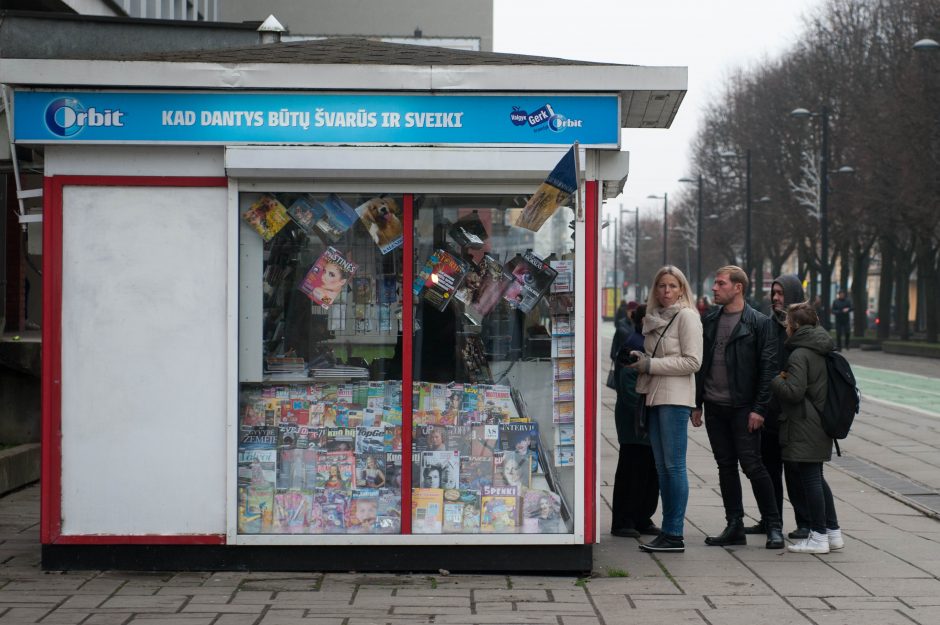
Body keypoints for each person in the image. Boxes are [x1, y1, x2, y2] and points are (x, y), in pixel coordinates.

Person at [693, 265, 785, 550]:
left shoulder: (758, 323)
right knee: (725, 467)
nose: (714, 288)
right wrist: (697, 404)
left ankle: (773, 525)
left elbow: (768, 369)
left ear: (737, 287)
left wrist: (759, 409)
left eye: (720, 283)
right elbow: (701, 365)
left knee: (753, 466)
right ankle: (734, 524)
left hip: (744, 407)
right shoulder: (710, 320)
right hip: (715, 406)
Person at [626, 266, 703, 553]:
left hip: (675, 398)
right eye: (662, 286)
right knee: (662, 468)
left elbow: (693, 362)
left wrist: (651, 365)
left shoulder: (687, 317)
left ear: (682, 289)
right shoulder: (654, 318)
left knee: (674, 467)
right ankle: (669, 532)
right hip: (654, 396)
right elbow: (661, 355)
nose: (666, 291)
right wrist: (641, 358)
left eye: (672, 286)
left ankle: (674, 533)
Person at [771, 303, 844, 554]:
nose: (786, 328)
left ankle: (818, 536)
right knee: (818, 479)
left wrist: (776, 379)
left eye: (788, 323)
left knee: (810, 480)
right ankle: (832, 533)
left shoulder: (800, 354)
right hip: (820, 421)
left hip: (804, 423)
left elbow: (794, 391)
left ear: (797, 325)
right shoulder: (821, 347)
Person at [743, 275, 812, 540]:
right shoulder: (767, 325)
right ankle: (771, 519)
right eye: (774, 292)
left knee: (795, 471)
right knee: (768, 469)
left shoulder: (803, 328)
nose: (775, 298)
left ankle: (805, 521)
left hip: (794, 413)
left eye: (781, 293)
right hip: (769, 411)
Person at [610, 304, 660, 538]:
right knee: (633, 470)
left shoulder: (646, 343)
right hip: (636, 422)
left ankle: (641, 517)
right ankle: (624, 520)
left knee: (649, 471)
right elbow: (629, 389)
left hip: (644, 418)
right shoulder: (635, 345)